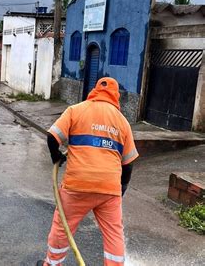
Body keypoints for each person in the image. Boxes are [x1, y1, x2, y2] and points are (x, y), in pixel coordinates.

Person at [38, 77, 138, 266]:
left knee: (62, 228)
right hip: (109, 189)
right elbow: (129, 163)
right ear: (116, 96)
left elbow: (52, 137)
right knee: (114, 234)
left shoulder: (76, 110)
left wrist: (56, 157)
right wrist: (121, 189)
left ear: (94, 90)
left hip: (77, 185)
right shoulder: (123, 122)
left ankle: (52, 264)